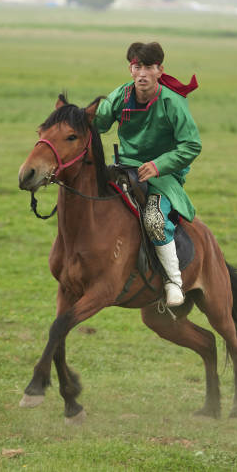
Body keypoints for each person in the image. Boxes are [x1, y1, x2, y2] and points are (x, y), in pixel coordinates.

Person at [94, 42, 202, 307]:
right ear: (130, 69)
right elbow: (96, 123)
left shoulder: (173, 102)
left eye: (149, 67)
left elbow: (191, 145)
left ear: (159, 70)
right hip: (124, 168)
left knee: (154, 219)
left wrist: (158, 165)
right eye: (137, 66)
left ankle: (173, 281)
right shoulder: (120, 96)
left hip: (163, 174)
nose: (142, 73)